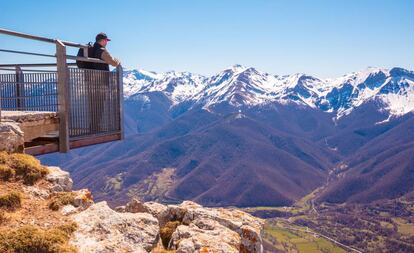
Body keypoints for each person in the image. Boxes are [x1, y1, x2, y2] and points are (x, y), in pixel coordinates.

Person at [86, 32, 121, 133]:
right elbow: (113, 62)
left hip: (90, 81)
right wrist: (118, 61)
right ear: (102, 40)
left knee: (93, 105)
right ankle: (96, 127)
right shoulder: (101, 50)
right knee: (99, 105)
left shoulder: (91, 49)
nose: (107, 42)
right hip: (100, 82)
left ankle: (92, 126)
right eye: (106, 40)